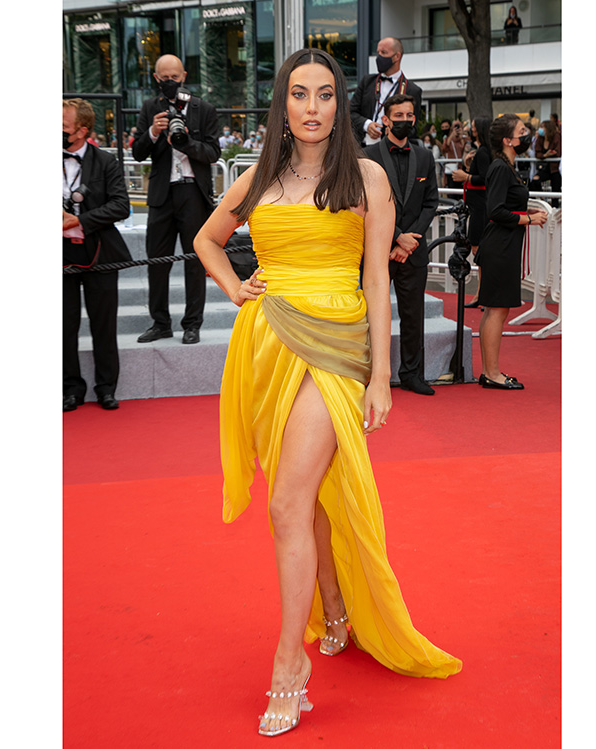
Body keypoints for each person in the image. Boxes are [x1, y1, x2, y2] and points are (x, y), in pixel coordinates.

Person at [193, 48, 462, 738]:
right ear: (282, 104)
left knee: (286, 502)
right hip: (267, 346)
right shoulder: (259, 175)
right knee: (304, 493)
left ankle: (290, 663)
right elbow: (206, 239)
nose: (311, 107)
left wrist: (381, 375)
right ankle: (334, 605)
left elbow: (376, 278)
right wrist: (236, 288)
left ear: (341, 104)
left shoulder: (366, 176)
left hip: (337, 345)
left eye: (324, 94)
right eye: (299, 93)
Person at [131, 54, 220, 345]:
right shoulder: (150, 108)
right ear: (156, 78)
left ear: (184, 76)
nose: (170, 82)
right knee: (157, 262)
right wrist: (153, 132)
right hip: (161, 194)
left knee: (195, 261)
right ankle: (160, 323)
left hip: (193, 193)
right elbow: (138, 153)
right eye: (165, 78)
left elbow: (213, 153)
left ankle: (192, 325)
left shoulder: (203, 109)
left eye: (175, 77)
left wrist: (186, 142)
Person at [364, 93, 440, 396]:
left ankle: (412, 374)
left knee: (413, 316)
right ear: (385, 120)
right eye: (399, 116)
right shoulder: (367, 156)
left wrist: (409, 241)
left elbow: (431, 203)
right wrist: (396, 236)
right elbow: (364, 203)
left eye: (409, 116)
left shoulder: (424, 157)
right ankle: (368, 375)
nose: (405, 121)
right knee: (370, 315)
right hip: (377, 250)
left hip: (413, 252)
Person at [62, 98, 133, 412]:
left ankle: (106, 388)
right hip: (59, 255)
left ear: (82, 130)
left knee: (104, 325)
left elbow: (120, 205)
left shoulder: (105, 161)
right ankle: (70, 389)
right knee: (63, 326)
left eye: (63, 126)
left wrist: (79, 221)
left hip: (100, 253)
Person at [476, 114, 548, 390]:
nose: (527, 134)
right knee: (497, 310)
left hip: (503, 245)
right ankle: (492, 373)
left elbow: (505, 205)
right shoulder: (500, 167)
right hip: (500, 247)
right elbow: (495, 211)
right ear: (508, 140)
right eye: (521, 131)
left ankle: (489, 372)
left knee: (494, 309)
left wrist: (527, 211)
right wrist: (529, 219)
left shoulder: (505, 167)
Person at [349, 37, 423, 147]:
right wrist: (367, 125)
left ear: (397, 56)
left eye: (383, 52)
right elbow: (350, 112)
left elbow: (412, 128)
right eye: (378, 52)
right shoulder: (367, 82)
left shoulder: (412, 90)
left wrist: (394, 131)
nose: (379, 57)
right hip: (361, 147)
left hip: (391, 149)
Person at [452, 118, 492, 308]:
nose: (470, 129)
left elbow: (484, 178)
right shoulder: (483, 150)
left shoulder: (484, 151)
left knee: (479, 251)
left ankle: (483, 294)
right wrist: (468, 166)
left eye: (474, 127)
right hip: (478, 207)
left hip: (480, 209)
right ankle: (481, 293)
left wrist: (465, 176)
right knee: (480, 253)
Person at [537, 118, 562, 206]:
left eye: (542, 127)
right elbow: (537, 153)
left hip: (555, 168)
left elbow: (558, 152)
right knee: (535, 180)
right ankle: (543, 201)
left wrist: (549, 154)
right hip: (544, 167)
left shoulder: (557, 137)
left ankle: (555, 207)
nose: (540, 129)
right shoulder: (540, 139)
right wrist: (545, 155)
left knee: (556, 188)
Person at [441, 119, 467, 188]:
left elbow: (465, 150)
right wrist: (452, 135)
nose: (457, 129)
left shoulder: (464, 138)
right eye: (455, 126)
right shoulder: (448, 139)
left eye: (459, 126)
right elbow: (444, 149)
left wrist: (461, 137)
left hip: (461, 168)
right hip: (452, 169)